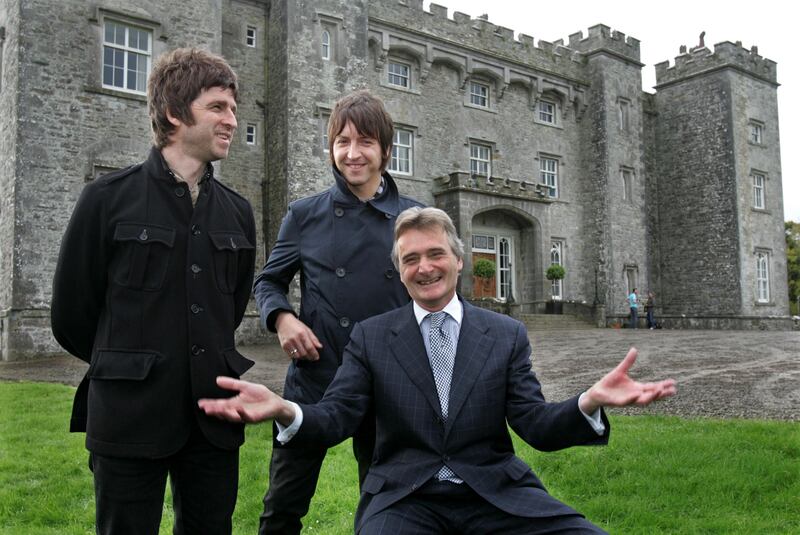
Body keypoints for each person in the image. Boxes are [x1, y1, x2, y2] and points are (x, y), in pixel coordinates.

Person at [200, 207, 677, 534]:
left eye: (435, 255)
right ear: (399, 269)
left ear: (458, 260)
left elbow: (536, 425)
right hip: (405, 500)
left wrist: (588, 402)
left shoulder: (505, 334)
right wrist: (287, 409)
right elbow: (337, 416)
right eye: (410, 259)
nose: (424, 267)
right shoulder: (372, 336)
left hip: (495, 494)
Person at [51, 48, 256, 535]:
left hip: (214, 415)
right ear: (173, 113)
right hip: (128, 416)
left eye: (233, 108)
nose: (232, 120)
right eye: (218, 107)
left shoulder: (238, 212)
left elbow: (226, 309)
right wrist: (131, 361)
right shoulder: (106, 199)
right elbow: (72, 315)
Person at [252, 90, 423, 534]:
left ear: (386, 149)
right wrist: (283, 319)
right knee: (282, 505)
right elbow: (268, 281)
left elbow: (437, 299)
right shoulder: (305, 215)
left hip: (387, 382)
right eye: (342, 141)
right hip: (315, 379)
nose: (353, 153)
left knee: (386, 506)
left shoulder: (415, 218)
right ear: (331, 147)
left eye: (365, 141)